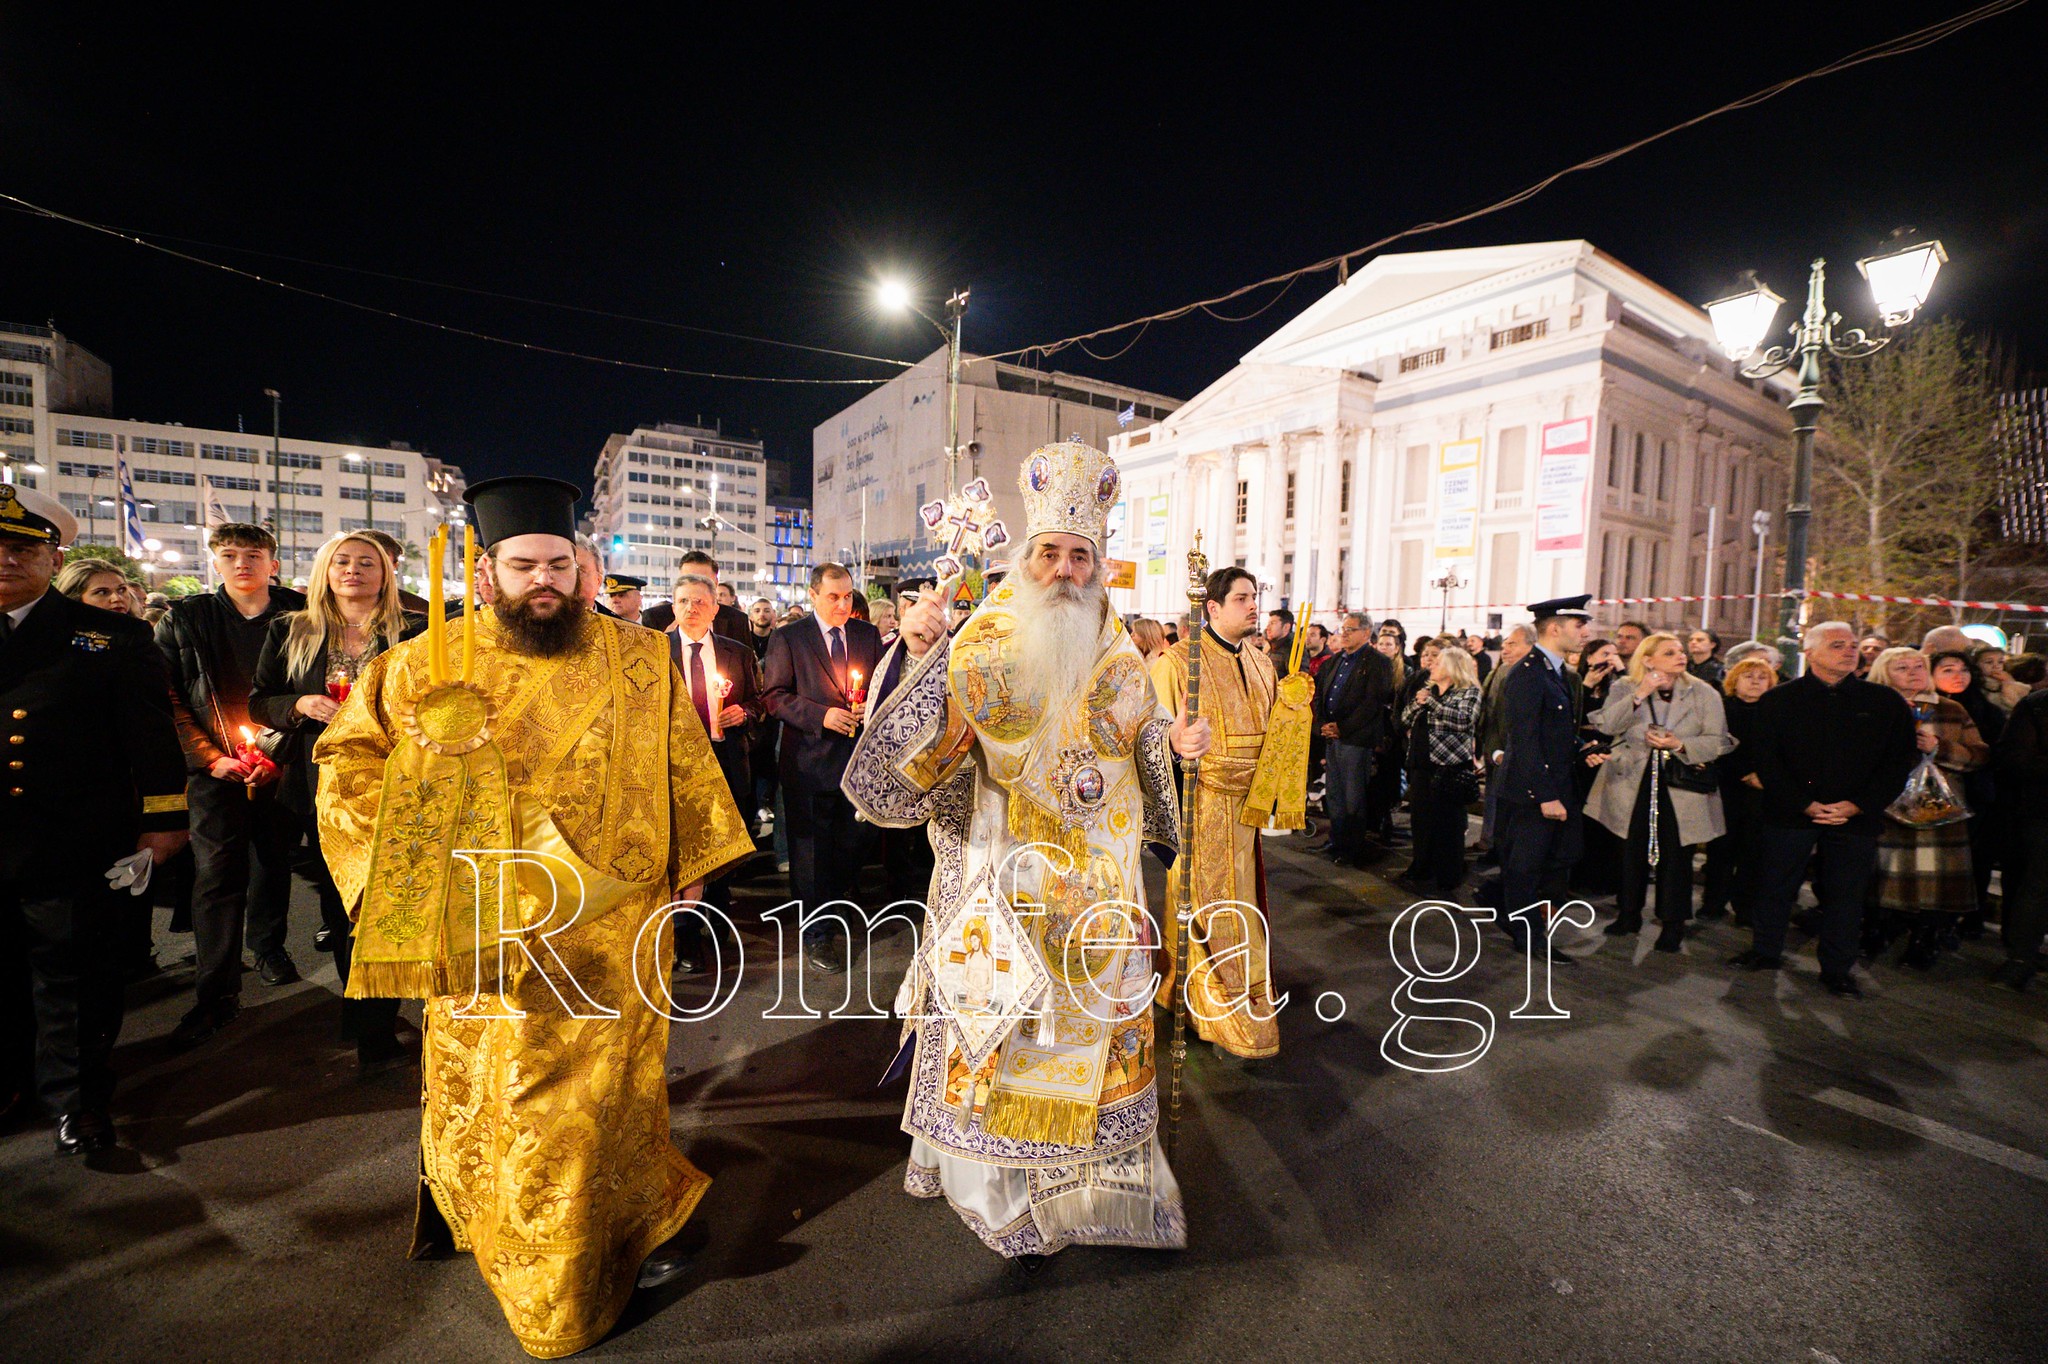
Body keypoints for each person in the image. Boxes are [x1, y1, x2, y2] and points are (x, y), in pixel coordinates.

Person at [312, 475, 754, 1357]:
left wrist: (692, 868)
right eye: (524, 566)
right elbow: (347, 769)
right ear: (487, 573)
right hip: (488, 930)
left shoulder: (641, 658)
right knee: (515, 1094)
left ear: (583, 568)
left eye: (559, 564)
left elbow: (683, 758)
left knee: (616, 1096)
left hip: (619, 927)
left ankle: (622, 1226)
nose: (543, 581)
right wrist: (418, 887)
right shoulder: (421, 667)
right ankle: (516, 1246)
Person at [844, 439, 1210, 1260]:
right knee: (1000, 1046)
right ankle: (998, 1199)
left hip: (1096, 893)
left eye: (1081, 556)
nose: (1066, 571)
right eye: (1051, 553)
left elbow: (1133, 740)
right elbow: (905, 767)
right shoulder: (982, 638)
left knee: (1081, 1053)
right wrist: (919, 653)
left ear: (1099, 564)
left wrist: (1171, 741)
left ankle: (1072, 1195)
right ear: (1028, 557)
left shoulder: (1118, 649)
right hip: (1000, 875)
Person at [0, 485, 189, 1155]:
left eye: (22, 548)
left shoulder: (113, 638)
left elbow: (151, 739)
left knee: (74, 978)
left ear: (54, 560)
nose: (6, 560)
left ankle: (77, 1100)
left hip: (71, 839)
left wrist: (163, 824)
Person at [248, 532, 420, 1068]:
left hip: (395, 784)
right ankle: (363, 1014)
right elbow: (260, 701)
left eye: (367, 562)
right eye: (342, 561)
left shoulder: (413, 631)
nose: (353, 570)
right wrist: (299, 703)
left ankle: (375, 1023)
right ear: (325, 570)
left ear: (385, 573)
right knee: (341, 906)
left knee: (386, 907)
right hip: (319, 785)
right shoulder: (291, 629)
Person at [155, 523, 307, 1048]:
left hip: (280, 761)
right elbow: (169, 697)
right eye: (230, 554)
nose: (242, 563)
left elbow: (307, 689)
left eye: (253, 554)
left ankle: (268, 946)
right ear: (215, 562)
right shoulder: (186, 618)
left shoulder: (300, 615)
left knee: (273, 858)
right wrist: (208, 758)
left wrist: (277, 758)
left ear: (273, 564)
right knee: (217, 873)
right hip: (214, 768)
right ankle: (216, 988)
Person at [1735, 622, 1919, 998]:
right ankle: (1765, 951)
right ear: (1810, 652)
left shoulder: (1884, 702)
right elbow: (1767, 760)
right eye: (1838, 645)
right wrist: (1803, 804)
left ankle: (1837, 968)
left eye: (1853, 645)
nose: (1850, 651)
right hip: (1790, 812)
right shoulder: (1779, 699)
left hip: (1855, 816)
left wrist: (1857, 805)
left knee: (1846, 896)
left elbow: (1898, 762)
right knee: (1775, 885)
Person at [1150, 565, 1281, 1060]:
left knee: (1242, 901)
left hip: (1247, 810)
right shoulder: (1178, 663)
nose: (1253, 606)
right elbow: (1151, 738)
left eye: (1254, 597)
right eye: (1242, 598)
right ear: (1212, 608)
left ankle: (1208, 993)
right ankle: (1215, 1008)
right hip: (1198, 806)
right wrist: (1178, 749)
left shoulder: (1262, 663)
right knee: (1201, 903)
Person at [761, 562, 882, 974]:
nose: (842, 605)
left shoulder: (866, 635)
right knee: (810, 853)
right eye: (833, 597)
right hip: (809, 762)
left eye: (847, 596)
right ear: (813, 595)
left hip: (857, 762)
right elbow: (775, 697)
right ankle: (816, 932)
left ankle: (836, 902)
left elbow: (882, 685)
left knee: (851, 842)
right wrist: (822, 715)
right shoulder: (789, 637)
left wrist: (870, 706)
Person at [1587, 632, 1732, 952]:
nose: (1681, 656)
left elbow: (1718, 741)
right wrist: (1640, 692)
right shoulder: (1625, 686)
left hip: (1682, 783)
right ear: (1648, 660)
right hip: (1631, 779)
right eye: (1669, 652)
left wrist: (1679, 744)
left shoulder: (1703, 691)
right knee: (1630, 850)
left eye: (1680, 651)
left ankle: (1673, 923)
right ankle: (1628, 914)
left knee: (1677, 855)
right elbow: (1607, 725)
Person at [1865, 647, 1988, 969]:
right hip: (1884, 803)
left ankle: (1926, 938)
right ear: (1884, 672)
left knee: (1935, 878)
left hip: (1937, 807)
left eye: (1918, 666)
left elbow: (1979, 755)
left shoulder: (1949, 709)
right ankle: (1880, 929)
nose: (1913, 673)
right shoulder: (1872, 705)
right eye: (1902, 667)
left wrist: (1941, 748)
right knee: (1884, 872)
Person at [667, 571, 760, 974]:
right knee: (684, 851)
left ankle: (718, 925)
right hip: (674, 766)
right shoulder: (658, 651)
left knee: (724, 845)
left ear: (715, 608)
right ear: (673, 606)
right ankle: (683, 937)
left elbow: (758, 701)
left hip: (725, 759)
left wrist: (745, 713)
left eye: (700, 601)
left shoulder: (737, 652)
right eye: (683, 601)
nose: (691, 608)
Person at [1490, 596, 1592, 956]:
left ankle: (1501, 904)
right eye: (1579, 625)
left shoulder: (1554, 670)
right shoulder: (1529, 673)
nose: (1585, 633)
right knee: (1526, 868)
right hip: (1531, 790)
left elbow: (1554, 731)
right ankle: (1528, 936)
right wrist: (1546, 795)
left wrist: (1583, 747)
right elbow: (1525, 741)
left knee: (1551, 861)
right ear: (1555, 629)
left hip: (1552, 784)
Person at [1933, 648, 2005, 940]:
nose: (1958, 676)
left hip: (1974, 795)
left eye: (1963, 670)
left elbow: (1991, 754)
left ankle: (1965, 919)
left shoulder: (1987, 711)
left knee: (1973, 859)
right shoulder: (1923, 707)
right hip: (1928, 796)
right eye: (1948, 670)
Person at [1399, 644, 1482, 895]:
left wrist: (1431, 703)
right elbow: (1405, 718)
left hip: (1449, 767)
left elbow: (1463, 720)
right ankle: (1421, 867)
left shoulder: (1468, 692)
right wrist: (1418, 703)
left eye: (1438, 662)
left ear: (1452, 667)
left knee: (1448, 824)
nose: (1431, 665)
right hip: (1420, 764)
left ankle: (1448, 876)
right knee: (1421, 821)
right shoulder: (1429, 690)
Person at [1700, 657, 1776, 926]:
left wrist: (1764, 774)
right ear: (1734, 680)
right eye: (1748, 676)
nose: (1755, 682)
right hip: (1725, 786)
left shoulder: (1775, 710)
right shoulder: (1721, 708)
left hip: (1760, 789)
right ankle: (1713, 903)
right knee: (1720, 848)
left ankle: (1746, 907)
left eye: (1762, 677)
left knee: (1753, 851)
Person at [1313, 612, 1394, 867]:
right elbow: (1320, 694)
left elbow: (1372, 703)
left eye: (1350, 629)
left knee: (1353, 797)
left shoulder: (1378, 662)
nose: (1344, 633)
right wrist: (1322, 725)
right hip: (1332, 737)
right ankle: (1337, 840)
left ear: (1366, 633)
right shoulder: (1336, 661)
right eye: (1343, 629)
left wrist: (1343, 728)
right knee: (1335, 794)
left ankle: (1352, 846)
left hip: (1356, 739)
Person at [1993, 686, 2048, 989]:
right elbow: (2014, 759)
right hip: (2041, 811)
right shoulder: (2037, 705)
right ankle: (2020, 960)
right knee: (2038, 885)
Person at [678, 550, 751, 642]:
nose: (696, 587)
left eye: (703, 581)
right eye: (689, 580)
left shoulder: (737, 620)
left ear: (716, 583)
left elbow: (744, 651)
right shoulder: (662, 618)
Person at [54, 561, 138, 616]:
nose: (117, 598)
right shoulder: (56, 634)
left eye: (121, 590)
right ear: (75, 598)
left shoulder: (140, 632)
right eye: (102, 592)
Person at [1973, 646, 2031, 711]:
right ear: (1976, 664)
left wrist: (2010, 682)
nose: (1996, 666)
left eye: (2000, 662)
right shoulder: (1974, 684)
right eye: (1989, 662)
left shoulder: (2008, 679)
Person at [1265, 608, 1296, 677]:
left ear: (1286, 627)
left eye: (1272, 623)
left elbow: (1298, 680)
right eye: (1268, 623)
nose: (1267, 627)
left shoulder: (1294, 651)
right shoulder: (1271, 648)